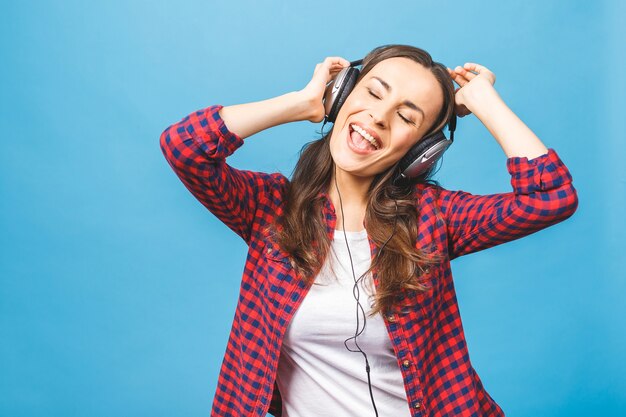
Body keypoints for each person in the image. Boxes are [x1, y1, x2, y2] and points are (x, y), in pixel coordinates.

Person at [159, 44, 578, 417]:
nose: (378, 116)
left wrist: (485, 102)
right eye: (373, 93)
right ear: (343, 94)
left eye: (405, 117)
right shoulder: (270, 210)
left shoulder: (434, 218)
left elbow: (552, 196)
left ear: (420, 151)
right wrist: (301, 103)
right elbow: (184, 147)